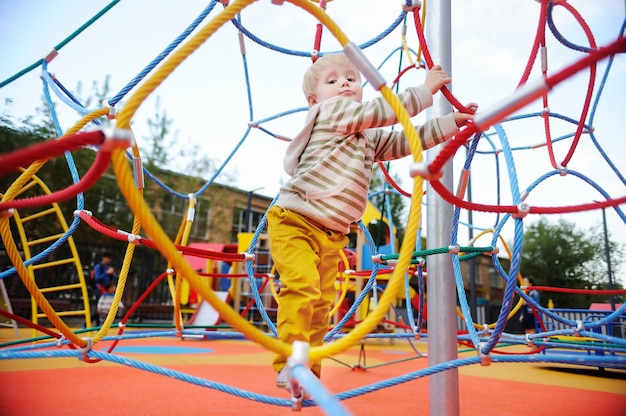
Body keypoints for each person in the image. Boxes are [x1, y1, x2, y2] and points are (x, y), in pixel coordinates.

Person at [267, 53, 477, 392]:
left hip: (332, 234)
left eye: (351, 78)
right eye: (332, 81)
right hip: (295, 221)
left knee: (321, 306)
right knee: (302, 287)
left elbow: (403, 140)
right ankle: (290, 362)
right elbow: (380, 112)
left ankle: (307, 374)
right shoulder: (330, 112)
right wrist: (425, 91)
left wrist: (450, 123)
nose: (344, 84)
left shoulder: (363, 135)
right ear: (313, 99)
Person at [90, 251, 116, 326]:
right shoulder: (99, 267)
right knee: (99, 308)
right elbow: (97, 278)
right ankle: (96, 325)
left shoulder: (108, 267)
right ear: (103, 258)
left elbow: (109, 280)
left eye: (109, 258)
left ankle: (97, 324)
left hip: (106, 290)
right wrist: (107, 273)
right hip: (99, 289)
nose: (108, 260)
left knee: (104, 308)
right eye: (106, 258)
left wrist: (111, 274)